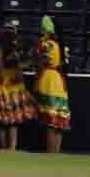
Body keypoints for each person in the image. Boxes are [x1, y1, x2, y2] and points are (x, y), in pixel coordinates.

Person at [0, 24, 38, 151]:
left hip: (10, 88)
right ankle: (9, 147)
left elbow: (21, 67)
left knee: (9, 120)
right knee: (8, 120)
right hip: (5, 88)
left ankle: (10, 147)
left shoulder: (15, 51)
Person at [33, 16, 70, 153]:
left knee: (50, 121)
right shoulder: (61, 45)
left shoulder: (46, 44)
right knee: (58, 121)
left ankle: (50, 153)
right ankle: (56, 154)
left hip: (48, 81)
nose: (41, 30)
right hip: (60, 83)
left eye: (42, 28)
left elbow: (40, 64)